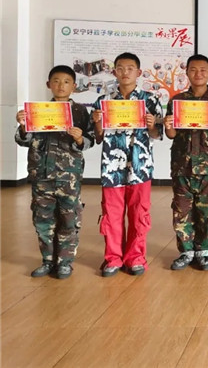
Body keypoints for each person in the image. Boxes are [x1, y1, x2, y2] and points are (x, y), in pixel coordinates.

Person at [15, 65, 94, 279]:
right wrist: (23, 125)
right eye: (56, 81)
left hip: (69, 177)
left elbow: (90, 141)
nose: (61, 86)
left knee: (69, 219)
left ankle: (65, 263)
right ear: (48, 84)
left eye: (66, 82)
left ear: (74, 86)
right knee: (43, 221)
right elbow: (23, 140)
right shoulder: (37, 111)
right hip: (42, 175)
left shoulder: (80, 112)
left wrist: (79, 138)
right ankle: (47, 261)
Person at [92, 52, 163, 277]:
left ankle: (135, 258)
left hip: (140, 167)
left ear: (138, 72)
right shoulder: (103, 101)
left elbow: (158, 134)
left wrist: (152, 125)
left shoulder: (150, 100)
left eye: (130, 68)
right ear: (114, 72)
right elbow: (98, 137)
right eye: (120, 68)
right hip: (111, 167)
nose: (125, 72)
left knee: (139, 213)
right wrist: (98, 123)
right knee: (111, 214)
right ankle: (113, 258)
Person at [164, 54, 208, 271]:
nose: (198, 74)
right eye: (193, 69)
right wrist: (168, 125)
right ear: (187, 72)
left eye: (203, 70)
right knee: (181, 210)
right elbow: (171, 134)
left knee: (207, 210)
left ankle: (204, 253)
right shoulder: (177, 101)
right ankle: (186, 252)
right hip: (182, 164)